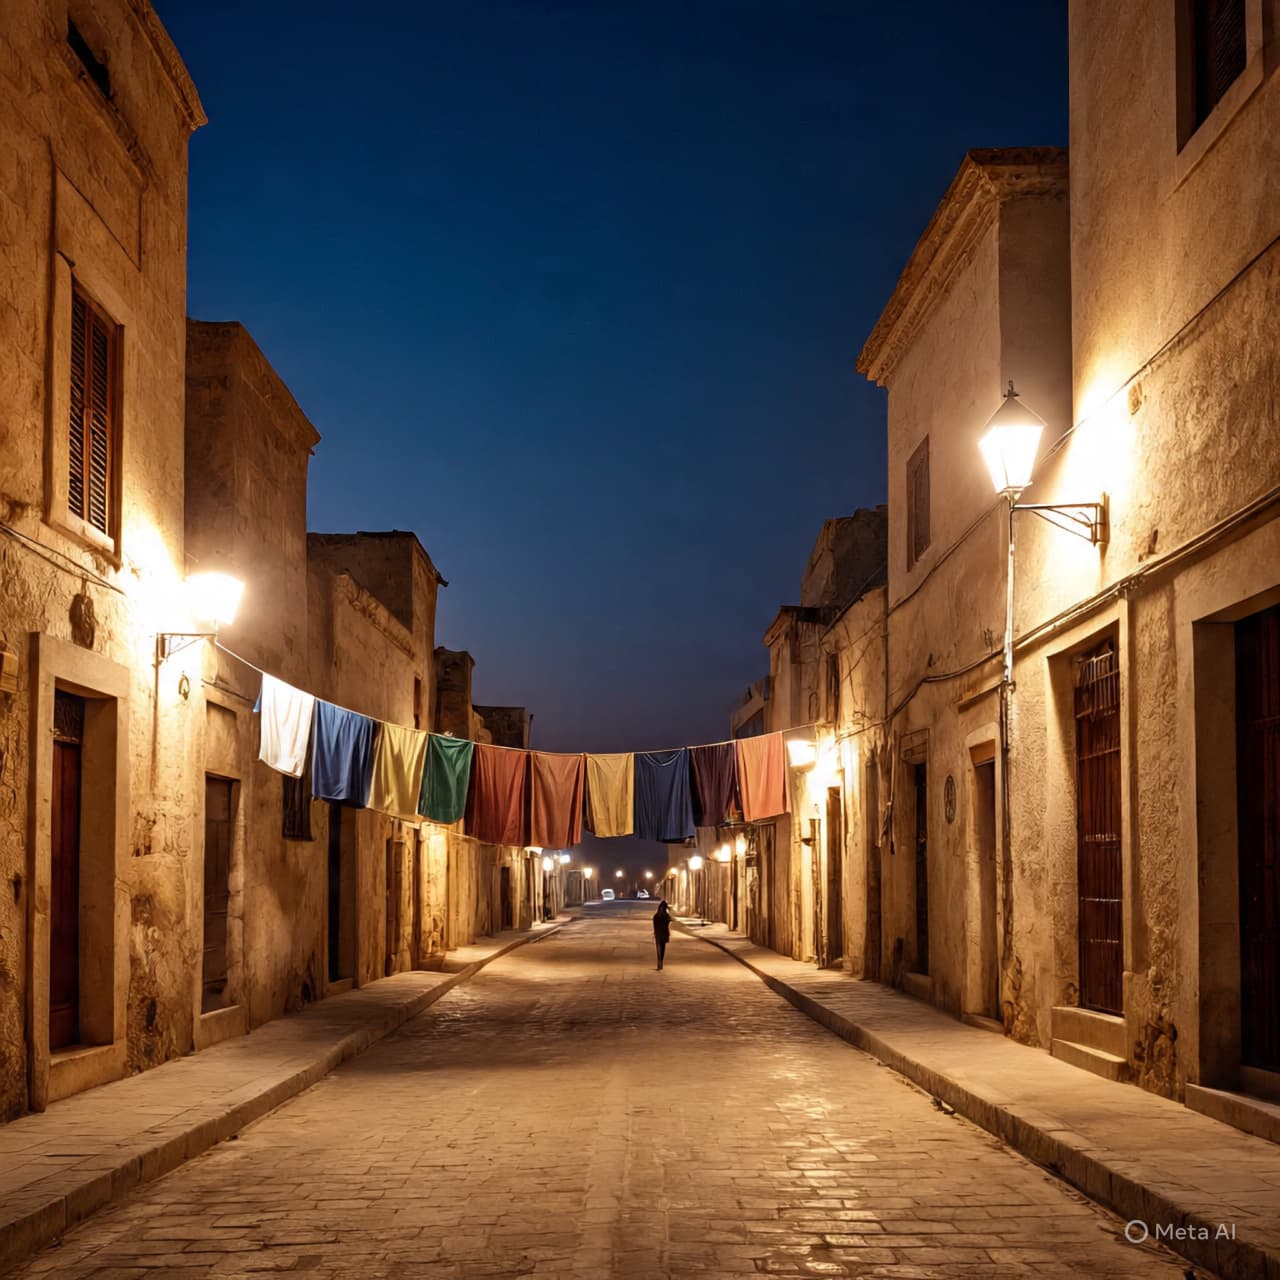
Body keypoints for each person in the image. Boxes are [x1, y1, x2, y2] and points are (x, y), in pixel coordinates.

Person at [653, 900, 671, 970]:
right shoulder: (665, 915)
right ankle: (660, 961)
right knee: (662, 949)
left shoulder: (657, 915)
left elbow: (654, 925)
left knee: (660, 949)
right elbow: (668, 922)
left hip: (659, 934)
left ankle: (659, 961)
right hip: (662, 934)